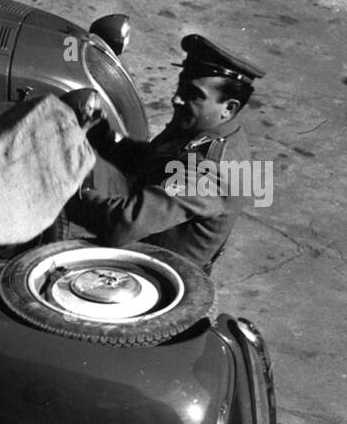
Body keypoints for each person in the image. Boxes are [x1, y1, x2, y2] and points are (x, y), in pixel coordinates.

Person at [68, 34, 265, 271]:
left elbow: (124, 224)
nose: (176, 99)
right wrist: (100, 132)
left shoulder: (211, 169)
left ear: (229, 108)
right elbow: (147, 161)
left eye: (193, 94)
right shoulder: (201, 129)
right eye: (180, 86)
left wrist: (65, 197)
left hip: (155, 277)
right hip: (146, 247)